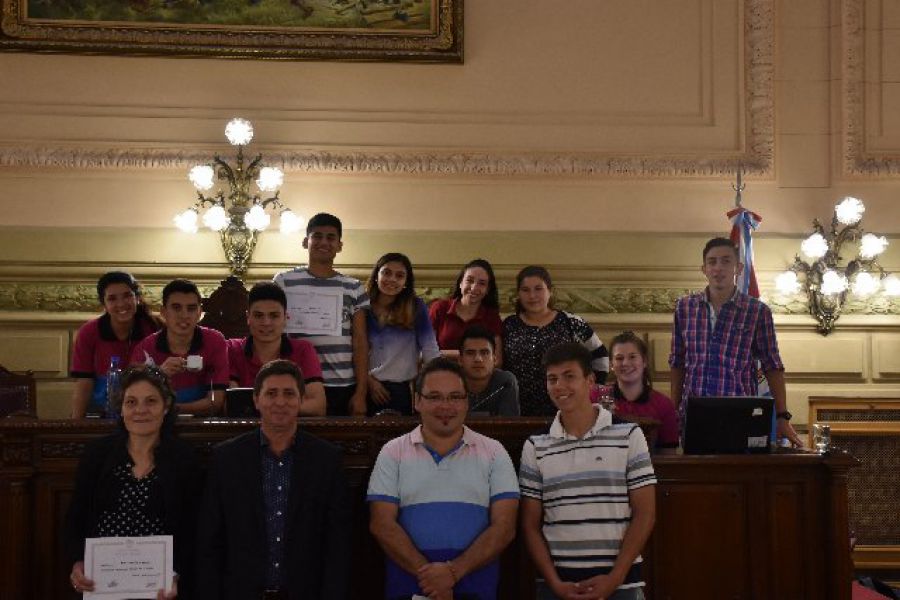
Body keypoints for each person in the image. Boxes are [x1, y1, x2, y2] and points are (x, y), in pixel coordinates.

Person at [196, 360, 351, 600]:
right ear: (256, 400)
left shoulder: (327, 460)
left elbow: (337, 544)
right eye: (271, 393)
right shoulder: (226, 459)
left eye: (289, 393)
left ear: (301, 400)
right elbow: (210, 541)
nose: (280, 402)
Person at [367, 358, 520, 600]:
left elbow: (504, 528)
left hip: (476, 587)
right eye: (434, 397)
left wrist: (453, 572)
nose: (445, 406)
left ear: (467, 401)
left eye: (455, 397)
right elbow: (382, 525)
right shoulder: (392, 452)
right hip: (409, 588)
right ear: (417, 401)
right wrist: (433, 579)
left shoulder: (494, 452)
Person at [519, 342, 656, 600]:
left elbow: (645, 514)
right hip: (556, 587)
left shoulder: (628, 434)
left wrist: (614, 578)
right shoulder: (535, 445)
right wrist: (554, 582)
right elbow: (530, 526)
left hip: (621, 586)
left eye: (569, 376)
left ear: (590, 380)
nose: (559, 386)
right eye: (552, 379)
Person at [65, 365, 202, 598]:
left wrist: (177, 573)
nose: (141, 410)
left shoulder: (184, 459)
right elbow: (76, 518)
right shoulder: (97, 455)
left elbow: (194, 529)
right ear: (121, 409)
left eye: (151, 401)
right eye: (131, 402)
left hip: (160, 587)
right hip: (101, 584)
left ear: (166, 407)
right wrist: (77, 562)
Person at [669, 237, 801, 446]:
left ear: (738, 268)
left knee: (738, 475)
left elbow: (773, 366)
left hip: (740, 414)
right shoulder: (685, 309)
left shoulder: (757, 312)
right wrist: (672, 412)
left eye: (726, 261)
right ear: (704, 269)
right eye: (712, 262)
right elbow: (677, 362)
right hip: (694, 414)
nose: (718, 268)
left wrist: (782, 416)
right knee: (695, 476)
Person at [273, 212, 369, 416]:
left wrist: (360, 393)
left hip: (342, 383)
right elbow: (272, 332)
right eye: (317, 236)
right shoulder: (283, 282)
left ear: (339, 246)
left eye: (331, 237)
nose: (323, 242)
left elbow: (360, 341)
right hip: (297, 381)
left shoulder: (354, 288)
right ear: (305, 241)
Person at [503, 265, 609, 416]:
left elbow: (601, 355)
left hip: (565, 411)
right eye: (525, 290)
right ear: (519, 294)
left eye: (538, 289)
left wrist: (592, 390)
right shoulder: (508, 325)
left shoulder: (570, 322)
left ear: (550, 291)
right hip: (517, 412)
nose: (532, 296)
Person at [130, 279, 228, 416]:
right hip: (158, 425)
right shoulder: (145, 348)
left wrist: (171, 409)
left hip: (202, 426)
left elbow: (215, 402)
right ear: (163, 312)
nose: (184, 315)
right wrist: (159, 375)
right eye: (176, 308)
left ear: (199, 313)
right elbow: (135, 403)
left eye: (191, 308)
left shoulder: (215, 341)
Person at [227, 282, 325, 416]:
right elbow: (234, 405)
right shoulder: (232, 348)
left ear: (285, 318)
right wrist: (284, 407)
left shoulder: (303, 349)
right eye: (258, 315)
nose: (266, 323)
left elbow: (318, 406)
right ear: (248, 317)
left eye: (274, 316)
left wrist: (269, 408)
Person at [70, 271, 159, 418]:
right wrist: (76, 425)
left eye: (127, 296)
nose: (121, 304)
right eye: (112, 299)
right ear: (103, 303)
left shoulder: (154, 327)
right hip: (100, 412)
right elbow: (84, 382)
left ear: (137, 297)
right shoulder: (89, 332)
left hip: (145, 411)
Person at [365, 252, 441, 415]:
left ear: (406, 282)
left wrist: (437, 385)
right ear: (376, 275)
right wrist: (369, 381)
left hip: (400, 389)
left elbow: (430, 349)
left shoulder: (416, 307)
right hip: (365, 386)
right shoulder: (362, 308)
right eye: (386, 272)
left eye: (399, 276)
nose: (392, 279)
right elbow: (352, 350)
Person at [605, 331, 679, 452]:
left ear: (644, 361)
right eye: (619, 358)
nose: (625, 363)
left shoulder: (664, 405)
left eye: (632, 357)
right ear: (611, 365)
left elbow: (669, 456)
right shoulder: (597, 399)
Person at [429, 259, 503, 363]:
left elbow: (497, 361)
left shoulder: (492, 316)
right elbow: (425, 352)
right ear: (460, 283)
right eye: (469, 280)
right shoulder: (439, 308)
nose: (474, 288)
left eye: (481, 283)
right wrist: (464, 355)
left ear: (487, 290)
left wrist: (447, 354)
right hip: (440, 373)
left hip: (477, 377)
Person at [458, 325, 520, 416]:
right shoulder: (450, 381)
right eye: (470, 353)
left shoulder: (505, 382)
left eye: (484, 353)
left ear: (495, 359)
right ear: (460, 360)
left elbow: (509, 427)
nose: (478, 359)